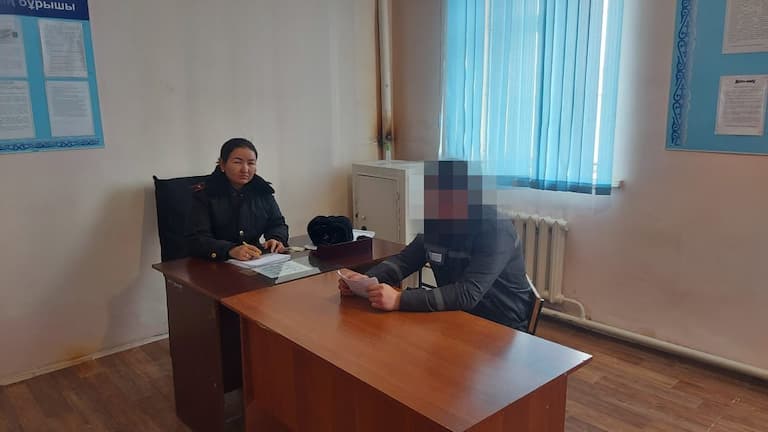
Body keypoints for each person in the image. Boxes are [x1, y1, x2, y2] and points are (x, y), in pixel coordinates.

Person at [338, 160, 533, 331]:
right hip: (456, 315)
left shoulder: (496, 230)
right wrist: (366, 281)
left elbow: (468, 292)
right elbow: (404, 261)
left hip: (501, 325)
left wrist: (399, 299)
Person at [185, 138, 289, 261]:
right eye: (237, 162)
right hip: (215, 263)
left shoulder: (262, 191)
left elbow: (277, 224)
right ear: (222, 164)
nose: (245, 169)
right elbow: (197, 239)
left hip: (253, 260)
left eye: (251, 163)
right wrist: (230, 250)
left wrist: (276, 238)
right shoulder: (205, 194)